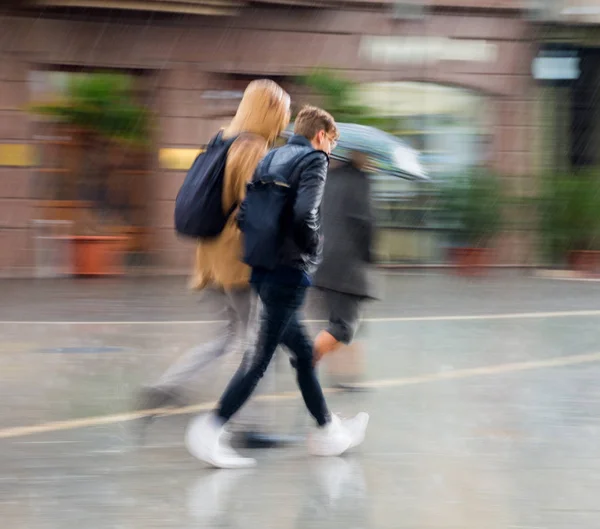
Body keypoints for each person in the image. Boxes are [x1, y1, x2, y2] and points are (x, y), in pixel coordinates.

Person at [185, 106, 369, 468]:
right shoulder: (313, 160)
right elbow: (305, 214)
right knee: (258, 358)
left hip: (262, 267)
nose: (331, 150)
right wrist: (313, 247)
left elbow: (244, 212)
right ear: (320, 135)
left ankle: (329, 429)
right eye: (332, 141)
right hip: (289, 271)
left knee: (301, 355)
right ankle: (210, 429)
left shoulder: (272, 155)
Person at [136, 79, 291, 444]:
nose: (284, 124)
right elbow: (260, 212)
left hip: (211, 259)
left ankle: (167, 387)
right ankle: (247, 425)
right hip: (241, 263)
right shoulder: (252, 149)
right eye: (282, 115)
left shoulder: (221, 139)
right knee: (258, 344)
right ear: (267, 113)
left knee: (228, 337)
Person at [311, 150, 380, 385]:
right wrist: (370, 255)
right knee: (345, 325)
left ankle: (345, 375)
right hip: (345, 263)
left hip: (322, 260)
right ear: (359, 156)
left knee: (341, 320)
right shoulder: (358, 180)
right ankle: (309, 357)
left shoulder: (328, 178)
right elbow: (365, 222)